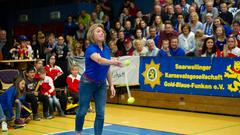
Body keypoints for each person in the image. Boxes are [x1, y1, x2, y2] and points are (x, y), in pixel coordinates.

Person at [75, 23, 122, 135]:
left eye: (102, 31)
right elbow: (100, 60)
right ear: (92, 35)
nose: (101, 33)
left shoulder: (106, 48)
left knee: (100, 113)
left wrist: (111, 85)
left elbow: (107, 67)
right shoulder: (90, 49)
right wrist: (113, 61)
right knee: (82, 111)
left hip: (101, 85)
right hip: (87, 83)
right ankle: (78, 132)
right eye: (98, 31)